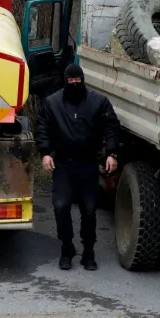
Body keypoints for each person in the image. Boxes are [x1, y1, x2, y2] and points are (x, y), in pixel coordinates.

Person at [36, 63, 120, 271]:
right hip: (63, 163)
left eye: (78, 80)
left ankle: (89, 251)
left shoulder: (98, 101)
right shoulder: (52, 102)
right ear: (65, 81)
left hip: (88, 163)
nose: (74, 83)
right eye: (70, 80)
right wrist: (45, 153)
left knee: (89, 209)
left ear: (83, 80)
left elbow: (111, 127)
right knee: (61, 205)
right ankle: (66, 248)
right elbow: (42, 127)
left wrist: (112, 153)